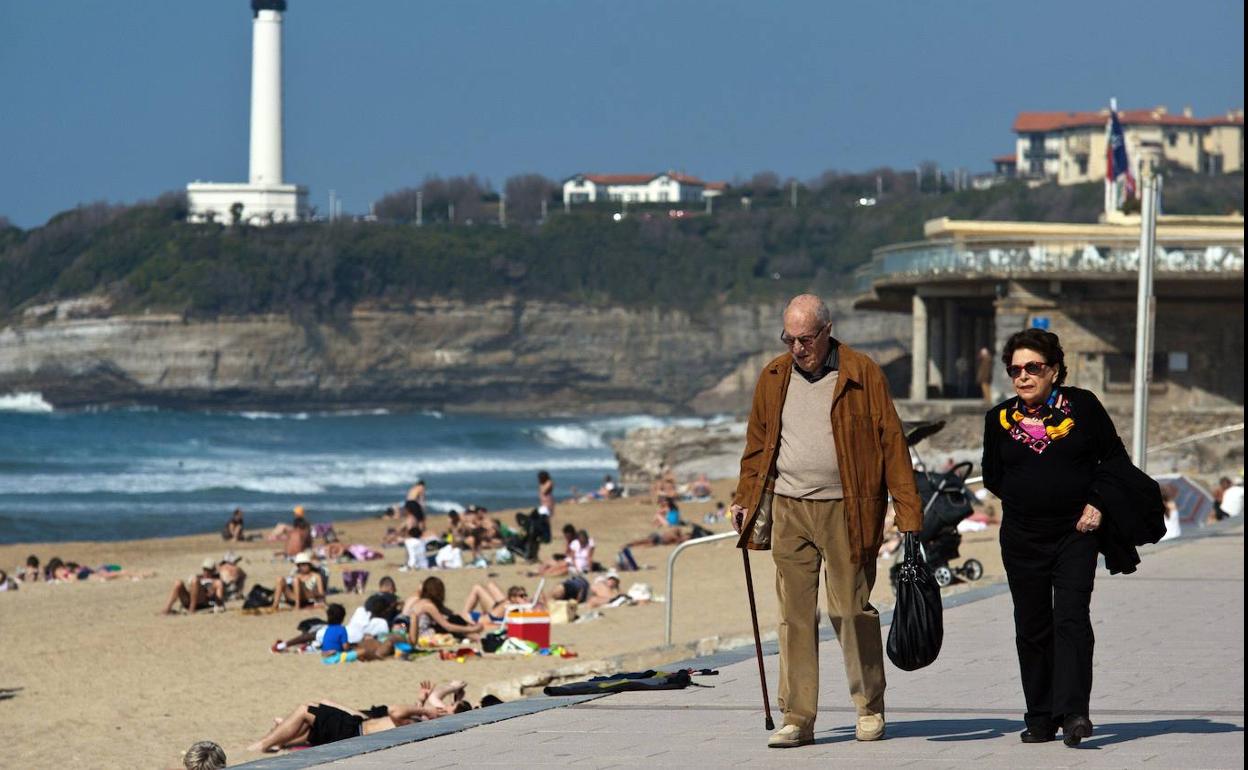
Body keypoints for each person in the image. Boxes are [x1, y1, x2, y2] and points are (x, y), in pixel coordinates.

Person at [730, 294, 922, 748]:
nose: (798, 348)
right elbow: (757, 445)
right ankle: (797, 717)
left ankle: (869, 706)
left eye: (806, 339)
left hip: (848, 508)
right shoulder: (773, 377)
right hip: (789, 508)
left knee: (850, 610)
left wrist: (908, 512)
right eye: (789, 339)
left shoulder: (862, 373)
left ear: (827, 330)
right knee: (795, 616)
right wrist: (744, 498)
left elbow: (892, 443)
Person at [981, 328, 1125, 747]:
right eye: (1015, 370)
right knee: (1032, 625)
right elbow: (992, 475)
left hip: (1075, 532)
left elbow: (1113, 458)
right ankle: (1041, 716)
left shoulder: (1083, 406)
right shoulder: (998, 419)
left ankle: (1074, 712)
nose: (1023, 376)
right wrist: (1028, 502)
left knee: (1071, 618)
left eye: (1033, 367)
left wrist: (1096, 503)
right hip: (1022, 537)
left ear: (1055, 370)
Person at [247, 682, 470, 753]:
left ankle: (263, 745)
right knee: (316, 710)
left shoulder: (430, 724)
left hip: (354, 733)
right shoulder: (429, 723)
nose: (443, 707)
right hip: (356, 728)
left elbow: (394, 712)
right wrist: (421, 703)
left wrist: (425, 710)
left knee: (306, 710)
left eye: (449, 708)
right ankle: (280, 738)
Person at [406, 576, 484, 643]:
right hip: (422, 635)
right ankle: (477, 637)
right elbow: (447, 626)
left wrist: (467, 621)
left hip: (416, 633)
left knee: (455, 619)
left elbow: (450, 613)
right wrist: (471, 629)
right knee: (452, 624)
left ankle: (475, 636)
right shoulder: (429, 606)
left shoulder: (423, 601)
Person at [160, 559, 225, 615]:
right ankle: (167, 609)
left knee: (195, 580)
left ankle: (192, 610)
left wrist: (212, 595)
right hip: (189, 599)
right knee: (178, 583)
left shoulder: (216, 582)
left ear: (213, 570)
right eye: (204, 569)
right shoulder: (199, 577)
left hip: (203, 601)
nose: (206, 572)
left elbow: (219, 602)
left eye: (208, 570)